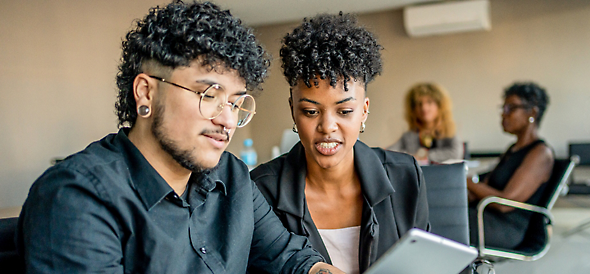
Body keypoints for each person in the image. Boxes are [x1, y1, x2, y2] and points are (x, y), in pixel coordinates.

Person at [17, 2, 344, 273]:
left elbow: (289, 258)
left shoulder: (232, 177)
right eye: (208, 94)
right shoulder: (76, 198)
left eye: (235, 102)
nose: (228, 120)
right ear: (145, 93)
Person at [250, 13, 429, 274]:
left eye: (344, 111)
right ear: (293, 111)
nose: (327, 127)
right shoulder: (261, 190)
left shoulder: (405, 175)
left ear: (364, 111)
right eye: (311, 112)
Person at [466, 82, 554, 249]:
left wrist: (467, 182)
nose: (503, 115)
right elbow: (487, 186)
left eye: (511, 108)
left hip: (506, 228)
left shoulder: (541, 154)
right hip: (486, 217)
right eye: (503, 108)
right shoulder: (513, 150)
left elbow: (505, 204)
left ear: (532, 113)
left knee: (437, 220)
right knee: (436, 214)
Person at [387, 82, 464, 164]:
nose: (424, 108)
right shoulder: (409, 135)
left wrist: (425, 156)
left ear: (440, 106)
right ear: (413, 108)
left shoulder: (448, 131)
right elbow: (391, 152)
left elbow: (456, 153)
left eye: (429, 102)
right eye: (419, 104)